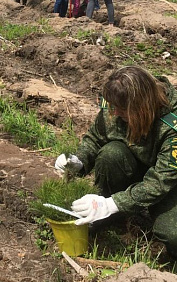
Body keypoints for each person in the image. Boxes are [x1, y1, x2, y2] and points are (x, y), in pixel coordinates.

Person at [55, 66, 177, 260]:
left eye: (122, 110)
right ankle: (111, 216)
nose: (115, 113)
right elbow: (97, 137)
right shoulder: (117, 103)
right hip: (140, 168)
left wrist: (114, 203)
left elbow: (161, 181)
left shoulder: (172, 124)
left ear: (142, 107)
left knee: (173, 234)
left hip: (170, 182)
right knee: (110, 154)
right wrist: (78, 160)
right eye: (113, 107)